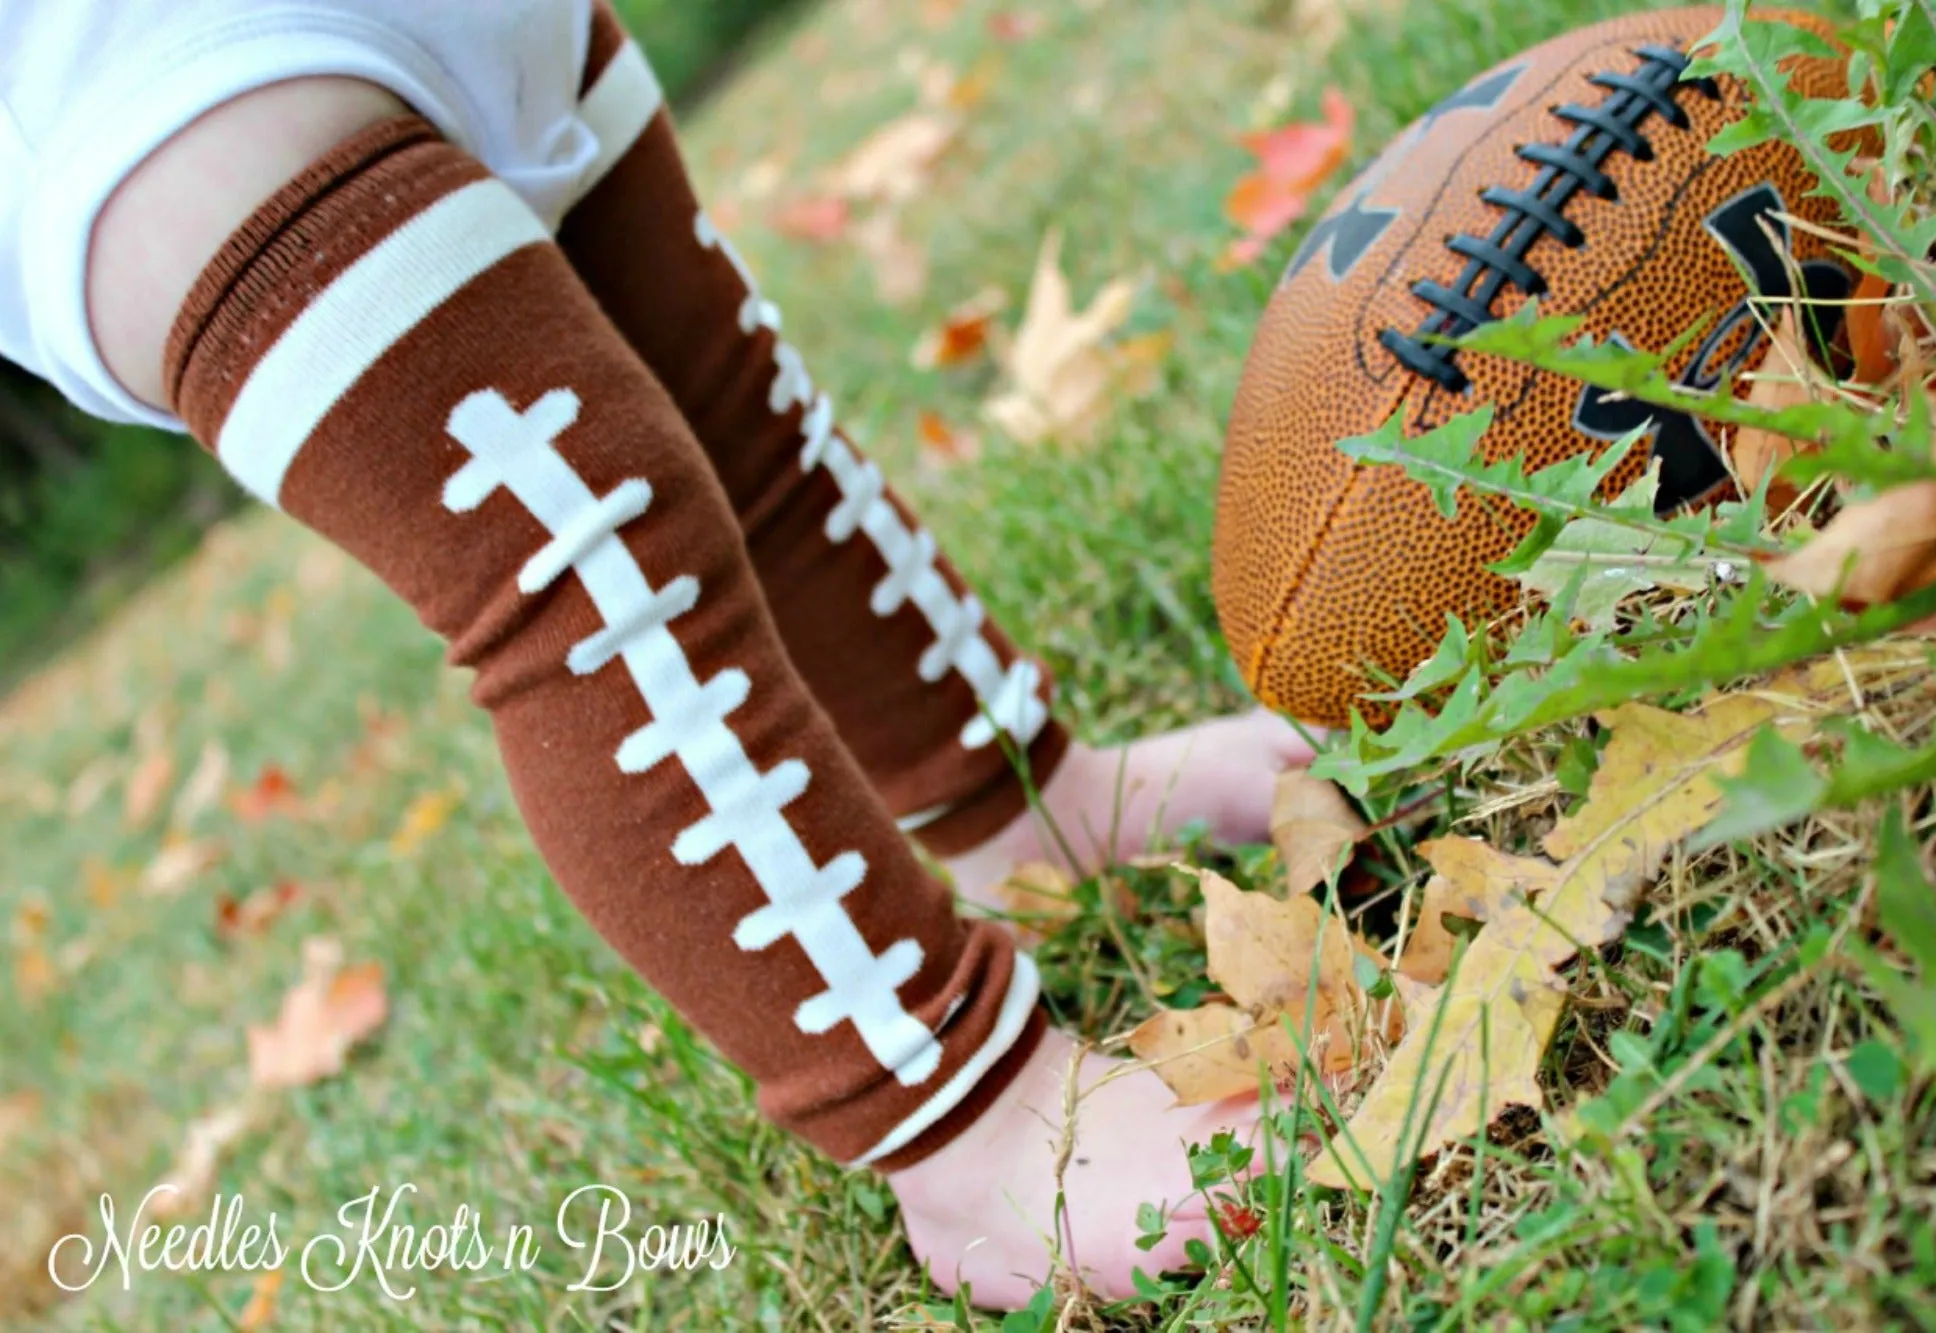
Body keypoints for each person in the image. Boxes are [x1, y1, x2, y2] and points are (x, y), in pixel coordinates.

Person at [0, 0, 1306, 1306]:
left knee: (744, 419)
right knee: (586, 576)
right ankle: (974, 1130)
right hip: (145, 73)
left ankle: (1028, 807)